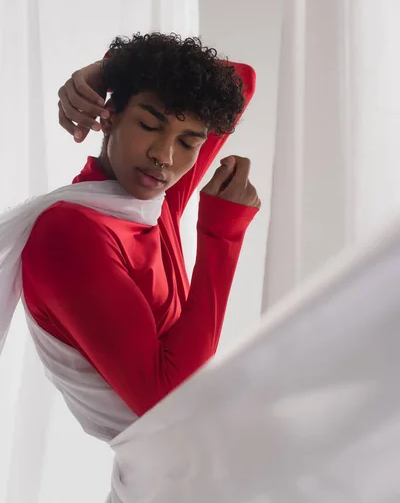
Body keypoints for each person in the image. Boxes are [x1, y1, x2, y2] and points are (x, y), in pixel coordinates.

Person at [19, 33, 259, 493]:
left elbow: (240, 82)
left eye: (190, 141)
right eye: (148, 125)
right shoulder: (71, 233)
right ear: (109, 118)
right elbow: (167, 402)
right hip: (168, 481)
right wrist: (221, 236)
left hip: (189, 472)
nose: (164, 157)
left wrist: (107, 71)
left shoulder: (152, 202)